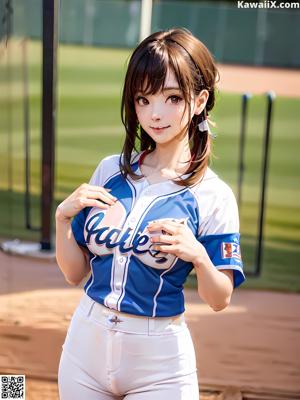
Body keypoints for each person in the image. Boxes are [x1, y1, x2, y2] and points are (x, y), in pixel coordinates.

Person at [56, 28, 246, 400]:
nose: (155, 114)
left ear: (199, 100)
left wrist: (198, 256)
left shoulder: (213, 195)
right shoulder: (110, 171)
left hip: (159, 362)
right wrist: (63, 220)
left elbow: (219, 298)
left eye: (172, 98)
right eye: (143, 99)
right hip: (84, 346)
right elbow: (74, 273)